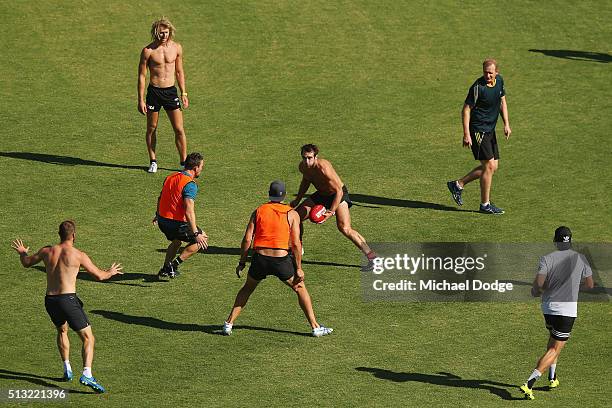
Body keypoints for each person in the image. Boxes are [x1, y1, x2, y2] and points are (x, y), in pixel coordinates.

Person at [11, 221, 123, 393]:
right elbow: (99, 276)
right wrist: (111, 272)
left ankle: (67, 369)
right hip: (68, 300)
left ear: (59, 234)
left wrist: (22, 253)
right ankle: (87, 373)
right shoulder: (78, 255)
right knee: (88, 338)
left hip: (50, 300)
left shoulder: (47, 251)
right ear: (74, 235)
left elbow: (26, 262)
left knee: (62, 331)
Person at [223, 180, 333, 337]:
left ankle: (228, 324)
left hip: (260, 259)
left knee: (247, 288)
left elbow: (247, 239)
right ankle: (315, 327)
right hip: (281, 261)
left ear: (269, 194)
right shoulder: (292, 213)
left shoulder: (259, 211)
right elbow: (295, 244)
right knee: (300, 288)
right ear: (284, 196)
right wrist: (299, 269)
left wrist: (242, 262)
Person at [519, 226, 594, 400]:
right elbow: (590, 285)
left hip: (548, 308)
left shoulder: (547, 258)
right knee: (554, 348)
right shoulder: (581, 259)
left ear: (555, 241)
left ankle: (552, 377)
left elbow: (538, 285)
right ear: (571, 241)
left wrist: (536, 291)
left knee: (553, 340)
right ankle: (529, 383)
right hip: (566, 311)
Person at [290, 144, 377, 264]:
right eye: (304, 158)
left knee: (345, 228)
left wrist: (331, 211)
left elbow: (339, 191)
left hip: (338, 195)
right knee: (296, 216)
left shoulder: (323, 167)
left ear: (316, 157)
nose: (306, 161)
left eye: (309, 158)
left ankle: (372, 257)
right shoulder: (303, 167)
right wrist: (297, 199)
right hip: (321, 194)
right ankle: (298, 248)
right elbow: (306, 181)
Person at [447, 58, 512, 214]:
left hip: (490, 129)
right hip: (478, 130)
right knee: (489, 166)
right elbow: (466, 109)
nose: (487, 76)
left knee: (492, 167)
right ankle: (485, 204)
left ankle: (458, 184)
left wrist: (506, 124)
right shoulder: (478, 87)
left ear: (497, 72)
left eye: (490, 73)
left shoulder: (500, 82)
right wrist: (466, 134)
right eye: (485, 72)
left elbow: (502, 102)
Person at [138, 17, 189, 173]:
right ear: (155, 33)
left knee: (179, 129)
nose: (163, 36)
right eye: (160, 33)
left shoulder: (176, 48)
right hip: (154, 93)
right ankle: (153, 161)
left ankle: (183, 163)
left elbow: (179, 71)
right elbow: (141, 76)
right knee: (152, 128)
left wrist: (184, 92)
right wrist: (140, 100)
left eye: (166, 33)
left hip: (170, 91)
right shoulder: (148, 51)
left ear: (170, 32)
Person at [154, 152, 208, 278]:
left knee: (177, 240)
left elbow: (160, 198)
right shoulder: (190, 184)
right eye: (201, 167)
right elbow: (189, 210)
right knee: (202, 239)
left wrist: (157, 214)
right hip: (175, 224)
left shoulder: (170, 177)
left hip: (162, 221)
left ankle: (164, 268)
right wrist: (196, 233)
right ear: (195, 168)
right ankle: (173, 265)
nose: (201, 170)